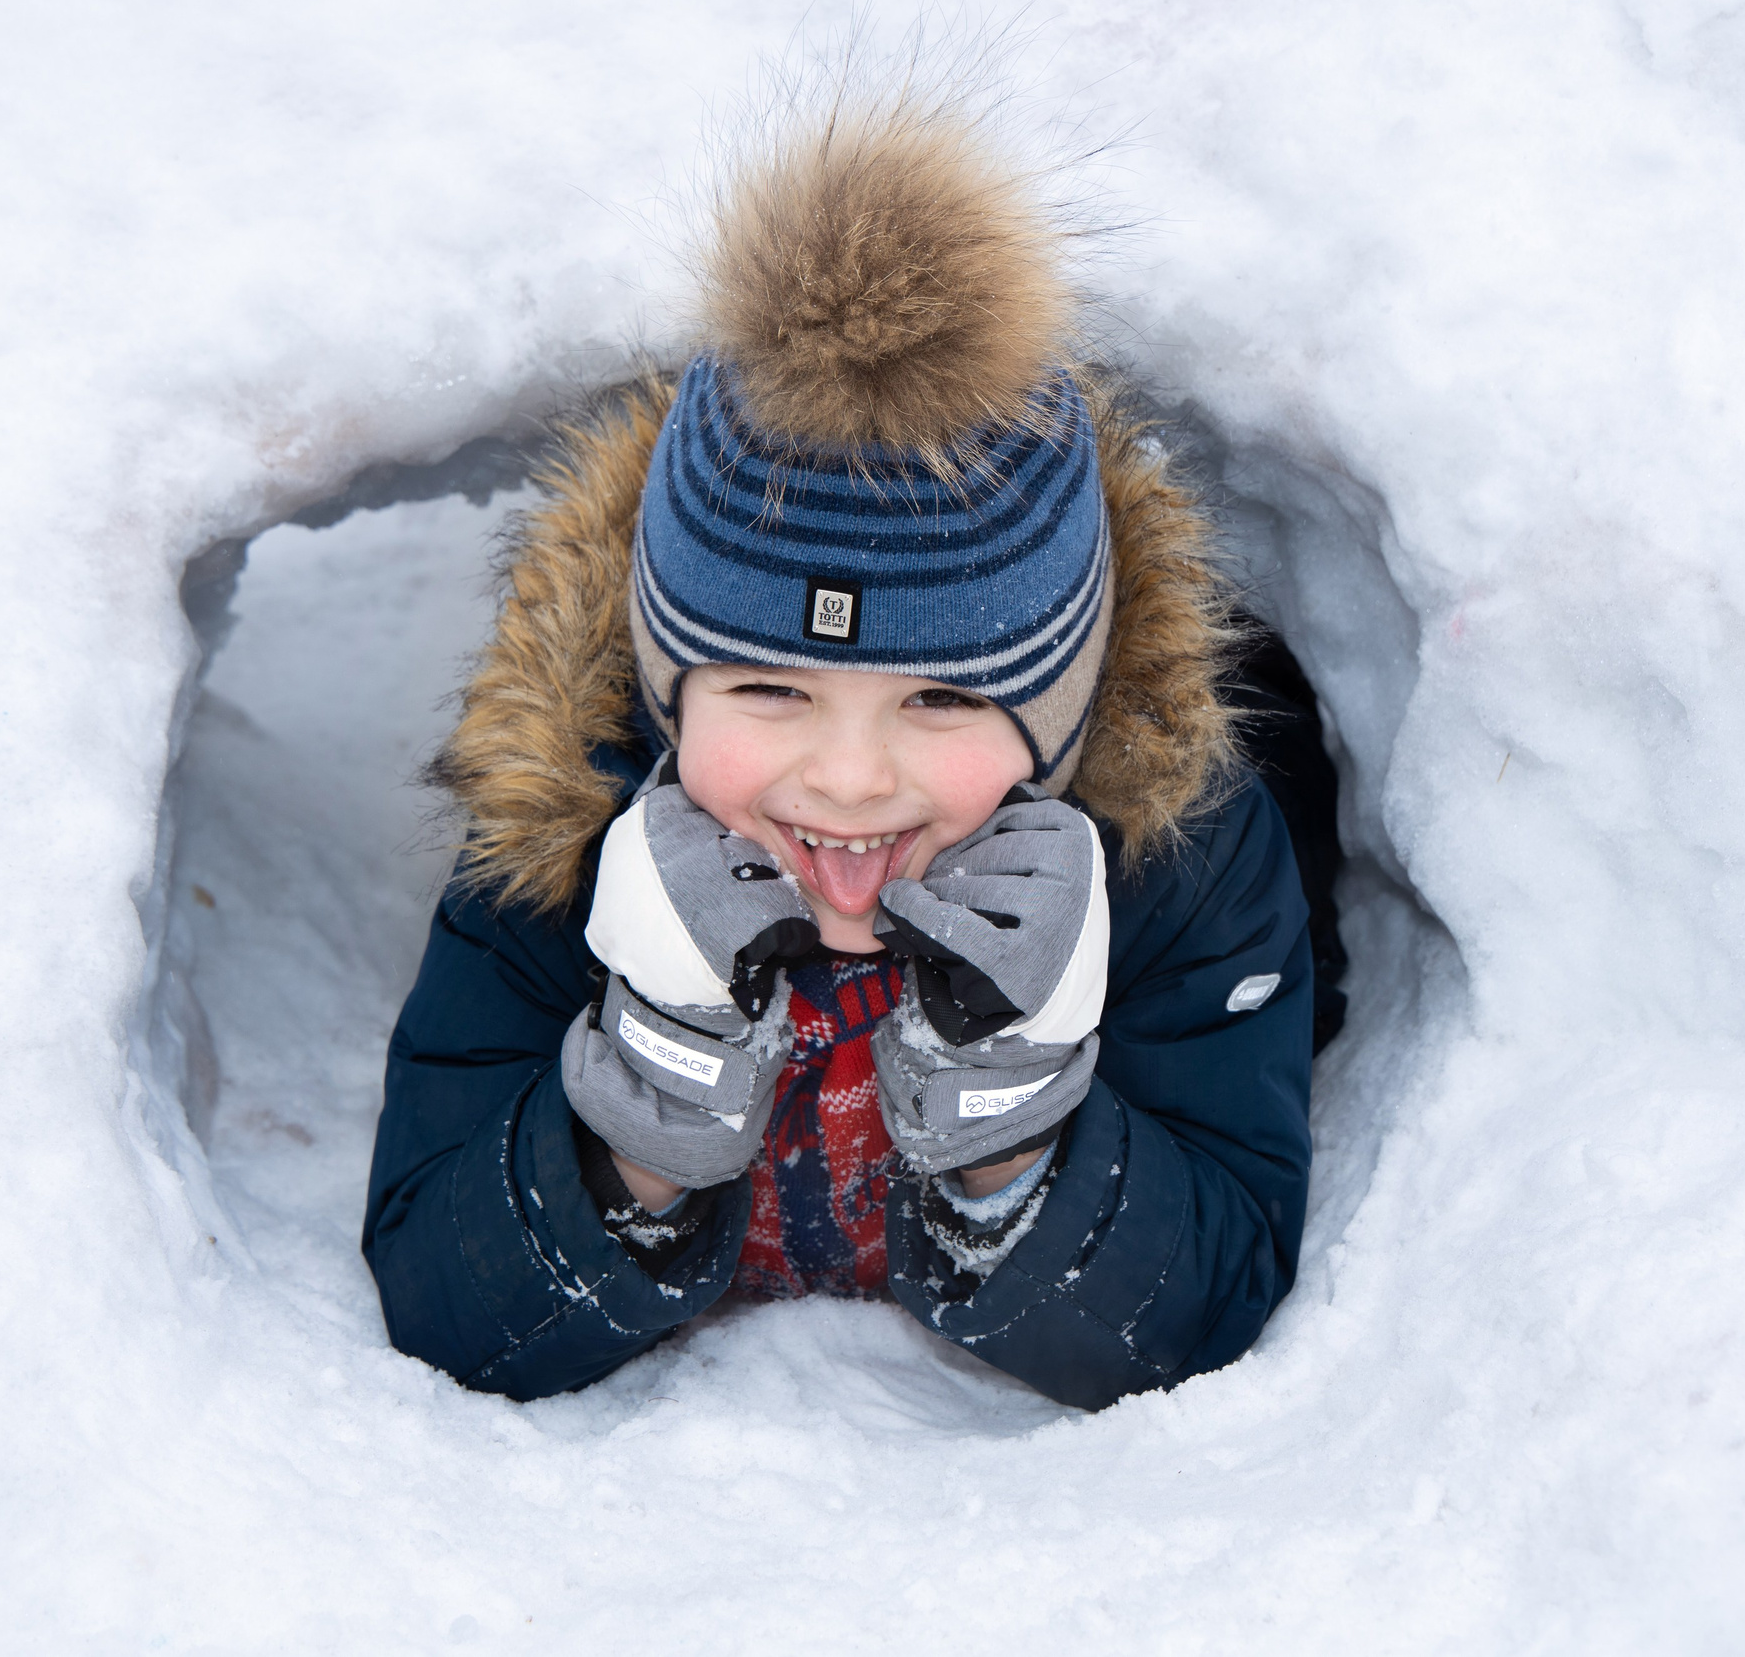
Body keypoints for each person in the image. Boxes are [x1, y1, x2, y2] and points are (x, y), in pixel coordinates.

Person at [362, 100, 1336, 1411]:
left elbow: (1211, 1309)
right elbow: (442, 1306)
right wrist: (639, 1123)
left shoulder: (1179, 864)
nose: (849, 780)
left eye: (941, 700)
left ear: (1059, 710)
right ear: (662, 693)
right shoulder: (565, 839)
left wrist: (1015, 1131)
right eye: (769, 690)